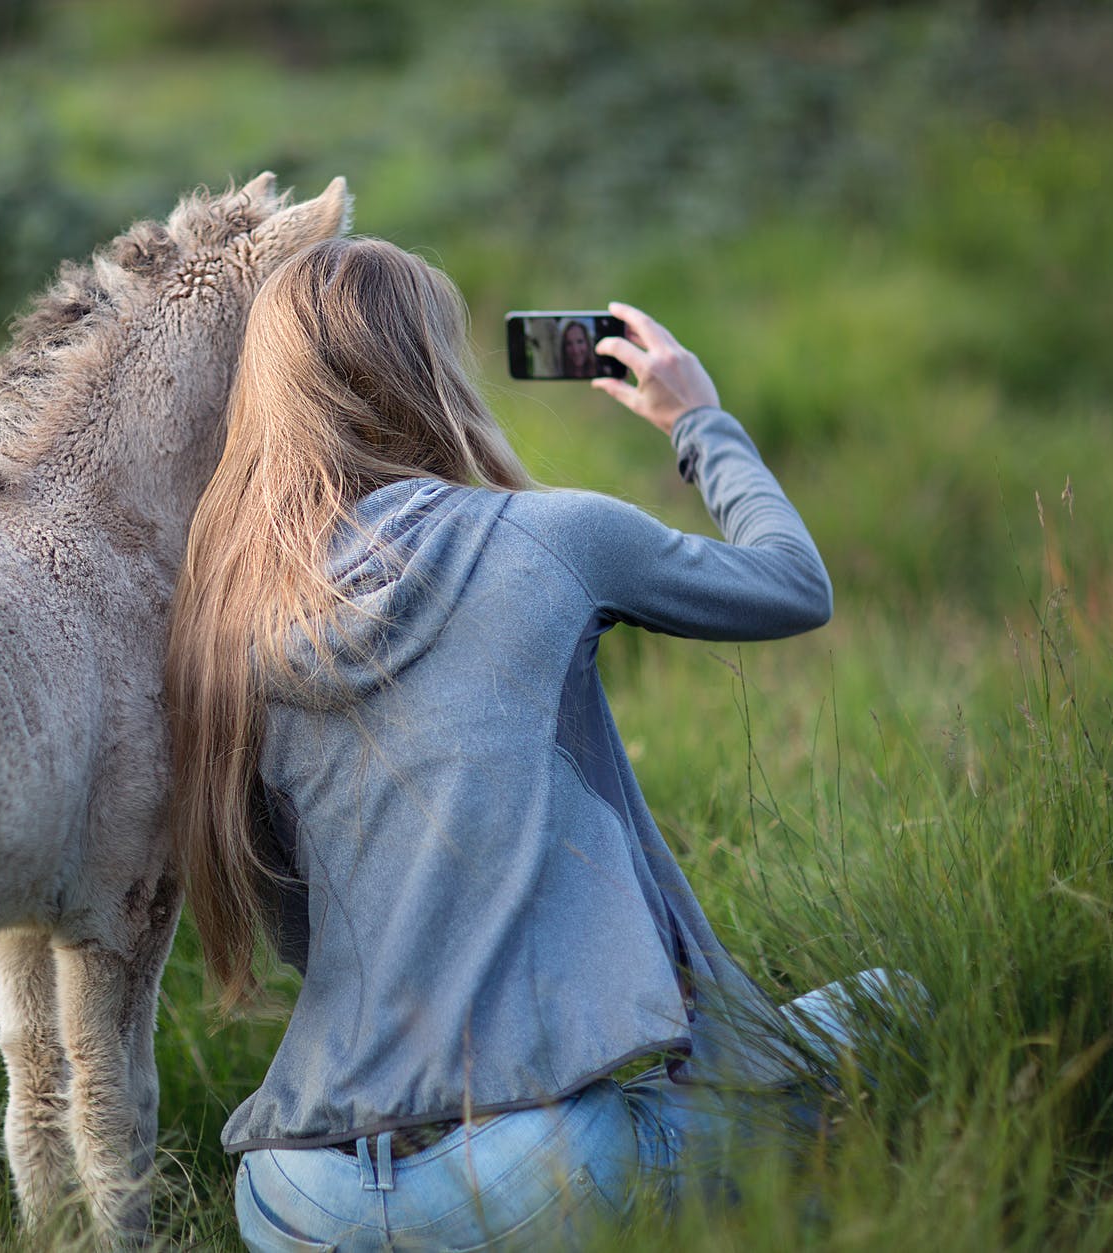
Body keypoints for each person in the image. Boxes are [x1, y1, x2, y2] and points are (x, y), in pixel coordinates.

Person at [165, 237, 914, 1251]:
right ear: (427, 371)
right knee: (889, 1009)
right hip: (529, 1171)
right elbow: (791, 583)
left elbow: (295, 930)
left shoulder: (228, 620)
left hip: (294, 1194)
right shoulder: (550, 536)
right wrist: (695, 417)